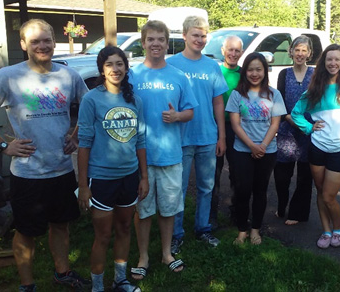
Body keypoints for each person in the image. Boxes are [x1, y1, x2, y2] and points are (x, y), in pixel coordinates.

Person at [0, 19, 90, 292]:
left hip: (61, 168)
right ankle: (27, 285)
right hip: (27, 173)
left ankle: (62, 273)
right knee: (26, 231)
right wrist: (3, 146)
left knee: (60, 225)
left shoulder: (69, 76)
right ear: (23, 45)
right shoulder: (7, 77)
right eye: (35, 41)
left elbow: (89, 106)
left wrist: (76, 135)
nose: (42, 46)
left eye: (46, 40)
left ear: (54, 42)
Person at [77, 46, 148, 292]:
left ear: (126, 68)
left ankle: (120, 280)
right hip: (102, 179)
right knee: (103, 236)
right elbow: (84, 143)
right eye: (109, 64)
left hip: (129, 177)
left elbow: (140, 140)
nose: (115, 69)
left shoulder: (134, 100)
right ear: (101, 69)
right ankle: (98, 287)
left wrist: (144, 177)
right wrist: (84, 185)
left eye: (119, 64)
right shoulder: (91, 99)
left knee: (124, 228)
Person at [129, 20, 197, 277]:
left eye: (160, 39)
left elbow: (190, 111)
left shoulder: (178, 76)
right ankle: (143, 256)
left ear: (167, 44)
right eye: (151, 39)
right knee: (143, 209)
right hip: (140, 157)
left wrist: (177, 116)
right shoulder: (133, 75)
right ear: (143, 42)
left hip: (170, 154)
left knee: (168, 208)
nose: (155, 44)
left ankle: (167, 253)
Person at [291, 44, 340, 248]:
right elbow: (296, 113)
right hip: (317, 149)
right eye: (329, 59)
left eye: (337, 59)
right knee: (321, 190)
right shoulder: (315, 88)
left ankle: (338, 228)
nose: (332, 63)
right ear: (324, 62)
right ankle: (326, 230)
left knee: (329, 196)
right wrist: (309, 127)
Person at [168, 16, 228, 254]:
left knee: (206, 186)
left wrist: (221, 136)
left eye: (203, 36)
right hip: (180, 137)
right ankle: (175, 233)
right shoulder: (171, 64)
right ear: (184, 35)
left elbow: (218, 103)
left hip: (207, 136)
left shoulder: (212, 66)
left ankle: (203, 228)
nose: (200, 40)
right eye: (195, 35)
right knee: (178, 189)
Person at [226, 52, 286, 245]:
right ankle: (242, 230)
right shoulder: (237, 94)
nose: (254, 73)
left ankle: (255, 230)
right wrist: (252, 146)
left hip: (267, 151)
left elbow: (275, 124)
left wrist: (263, 146)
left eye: (258, 69)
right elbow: (235, 125)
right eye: (250, 69)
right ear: (245, 71)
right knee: (243, 191)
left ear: (264, 71)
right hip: (242, 150)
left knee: (260, 191)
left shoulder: (274, 94)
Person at [274, 35, 315, 226]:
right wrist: (290, 119)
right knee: (282, 176)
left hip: (308, 132)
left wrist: (305, 125)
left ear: (309, 53)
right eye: (297, 50)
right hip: (286, 130)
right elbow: (279, 101)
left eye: (304, 50)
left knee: (305, 177)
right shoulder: (284, 74)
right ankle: (282, 206)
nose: (300, 54)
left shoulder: (315, 74)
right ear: (291, 51)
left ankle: (297, 213)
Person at [210, 35, 243, 225]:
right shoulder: (215, 71)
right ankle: (211, 216)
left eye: (237, 50)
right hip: (215, 127)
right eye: (230, 49)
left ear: (241, 53)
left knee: (237, 173)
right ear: (223, 51)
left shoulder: (245, 73)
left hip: (238, 128)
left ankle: (236, 213)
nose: (233, 53)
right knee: (213, 173)